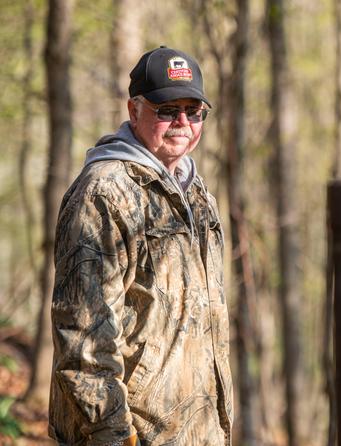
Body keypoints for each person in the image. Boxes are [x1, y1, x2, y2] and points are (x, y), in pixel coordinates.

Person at [49, 46, 233, 446]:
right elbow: (83, 337)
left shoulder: (197, 194)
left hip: (196, 433)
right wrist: (114, 436)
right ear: (135, 112)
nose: (182, 122)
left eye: (194, 111)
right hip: (129, 435)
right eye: (167, 110)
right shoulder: (103, 192)